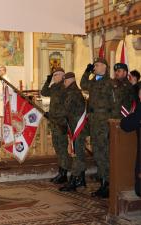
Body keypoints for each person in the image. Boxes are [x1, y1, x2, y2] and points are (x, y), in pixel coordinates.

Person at [80, 58, 114, 198]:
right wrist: (86, 72)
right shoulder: (94, 81)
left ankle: (107, 184)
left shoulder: (110, 83)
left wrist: (111, 123)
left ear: (104, 67)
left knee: (104, 154)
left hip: (104, 123)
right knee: (98, 153)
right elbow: (83, 84)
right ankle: (103, 181)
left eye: (97, 65)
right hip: (94, 123)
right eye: (94, 66)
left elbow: (115, 104)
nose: (95, 67)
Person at [59, 72, 88, 192]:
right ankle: (80, 179)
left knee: (77, 155)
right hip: (75, 126)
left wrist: (52, 116)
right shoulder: (72, 91)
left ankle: (75, 180)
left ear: (70, 80)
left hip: (77, 128)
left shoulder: (73, 93)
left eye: (65, 80)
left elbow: (65, 110)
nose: (64, 83)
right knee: (77, 153)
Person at [40, 67, 69, 184]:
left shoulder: (65, 87)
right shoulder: (54, 87)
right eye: (54, 75)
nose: (55, 76)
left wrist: (56, 116)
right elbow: (43, 92)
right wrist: (48, 81)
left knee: (62, 149)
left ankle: (64, 173)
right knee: (57, 148)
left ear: (63, 76)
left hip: (61, 123)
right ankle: (61, 172)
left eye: (57, 75)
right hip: (54, 123)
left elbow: (66, 107)